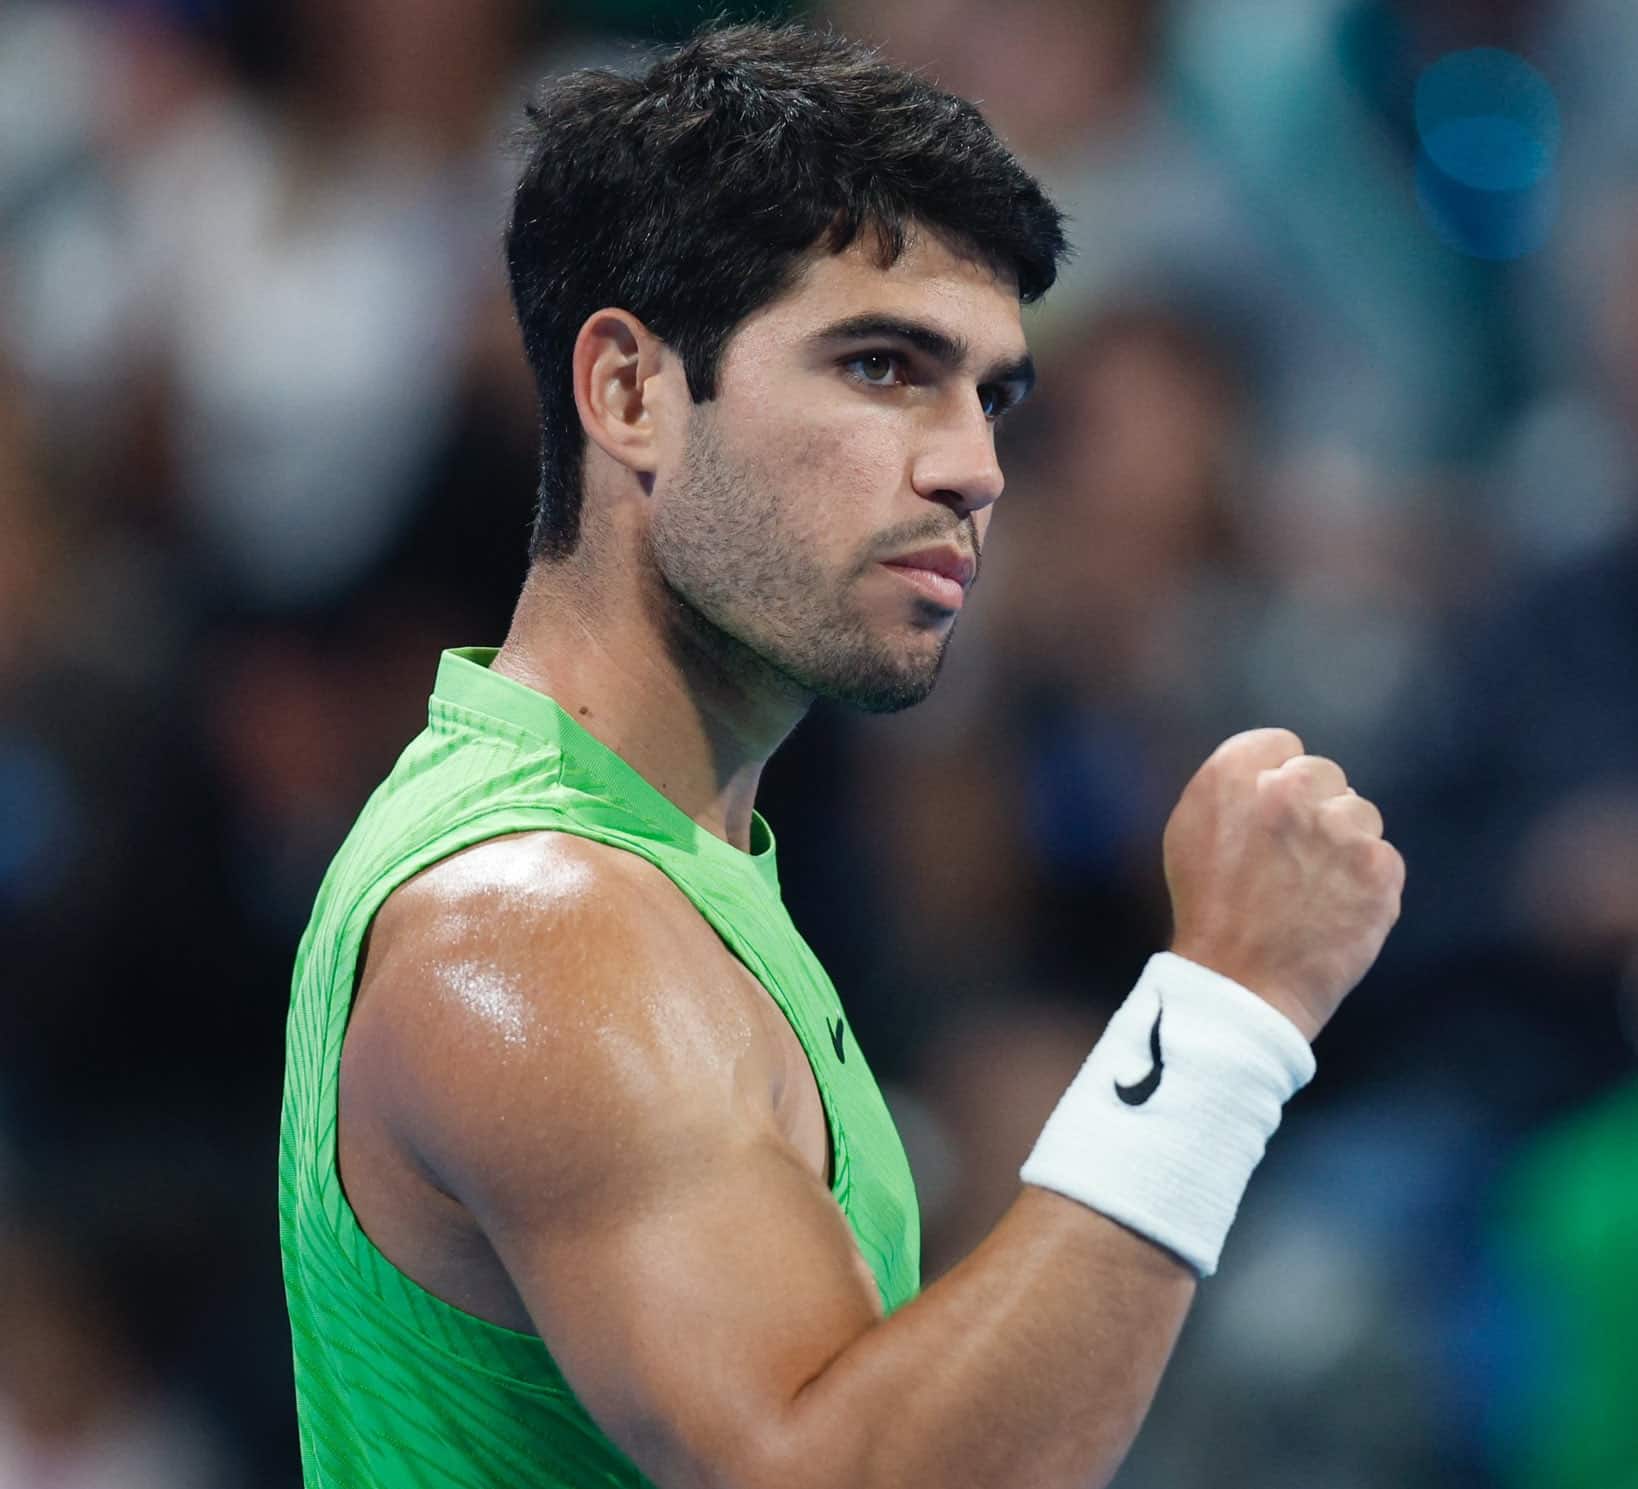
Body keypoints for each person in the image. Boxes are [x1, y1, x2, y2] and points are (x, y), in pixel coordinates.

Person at [278, 23, 1404, 1488]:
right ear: (627, 391)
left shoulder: (655, 863)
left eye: (990, 393)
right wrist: (1227, 1010)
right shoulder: (542, 923)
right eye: (881, 366)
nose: (972, 466)